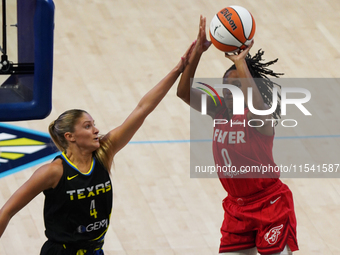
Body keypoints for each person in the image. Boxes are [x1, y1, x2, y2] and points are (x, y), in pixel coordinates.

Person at [0, 42, 195, 254]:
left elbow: (142, 109)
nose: (96, 130)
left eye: (93, 124)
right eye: (87, 126)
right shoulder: (53, 172)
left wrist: (178, 68)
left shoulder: (103, 154)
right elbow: (7, 211)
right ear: (70, 137)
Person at [177, 16, 298, 255]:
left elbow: (255, 104)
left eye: (237, 86)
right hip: (236, 208)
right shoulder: (219, 110)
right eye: (227, 87)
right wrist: (198, 53)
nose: (231, 92)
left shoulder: (260, 118)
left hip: (270, 203)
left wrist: (241, 62)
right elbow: (183, 92)